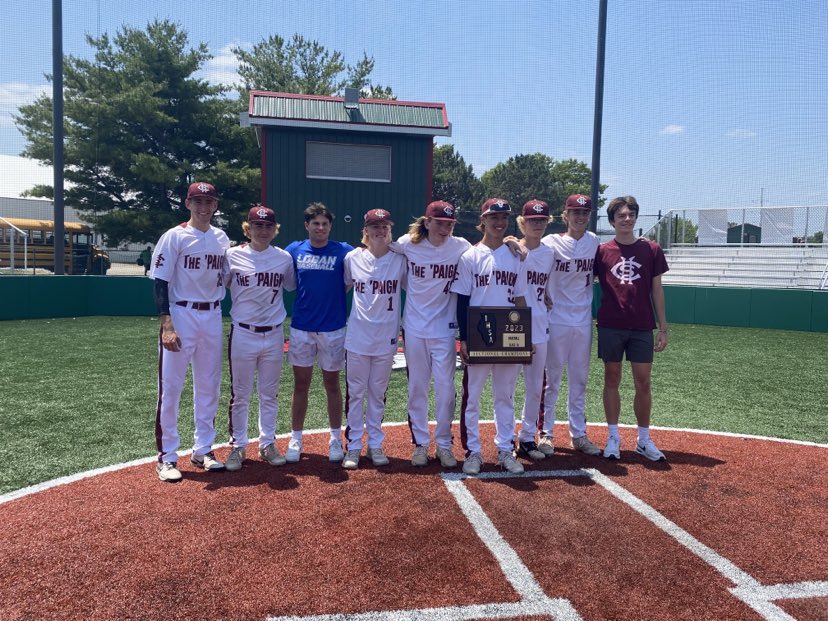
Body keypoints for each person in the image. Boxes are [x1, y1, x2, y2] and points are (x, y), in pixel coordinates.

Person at [149, 181, 229, 482]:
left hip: (211, 315)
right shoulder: (175, 236)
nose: (204, 207)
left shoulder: (222, 238)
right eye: (198, 202)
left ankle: (203, 449)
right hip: (181, 314)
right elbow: (159, 280)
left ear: (215, 205)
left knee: (209, 386)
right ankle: (167, 456)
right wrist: (166, 323)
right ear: (188, 204)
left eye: (209, 202)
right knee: (170, 388)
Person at [451, 198, 528, 475]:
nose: (499, 222)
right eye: (493, 217)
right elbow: (462, 301)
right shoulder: (470, 256)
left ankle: (506, 450)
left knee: (505, 396)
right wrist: (465, 340)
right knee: (472, 397)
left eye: (504, 218)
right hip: (479, 330)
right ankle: (473, 452)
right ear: (482, 220)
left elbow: (520, 297)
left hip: (508, 330)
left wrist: (525, 336)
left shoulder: (516, 255)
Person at [394, 200, 470, 468]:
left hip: (445, 329)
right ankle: (420, 445)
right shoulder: (408, 243)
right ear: (427, 222)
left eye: (449, 224)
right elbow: (381, 247)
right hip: (414, 328)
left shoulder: (460, 246)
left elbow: (486, 252)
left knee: (446, 389)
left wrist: (509, 240)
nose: (445, 228)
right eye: (439, 223)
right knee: (417, 388)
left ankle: (445, 445)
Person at [594, 195, 669, 462]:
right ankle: (613, 437)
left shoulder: (651, 250)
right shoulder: (602, 251)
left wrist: (663, 327)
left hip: (641, 326)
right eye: (621, 215)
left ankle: (644, 439)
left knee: (643, 382)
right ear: (612, 220)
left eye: (631, 215)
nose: (627, 219)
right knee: (612, 379)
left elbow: (656, 289)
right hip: (610, 324)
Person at [223, 205, 296, 471]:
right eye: (258, 225)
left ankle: (267, 443)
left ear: (275, 230)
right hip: (243, 331)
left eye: (268, 226)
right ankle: (238, 446)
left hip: (274, 333)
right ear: (248, 228)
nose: (263, 230)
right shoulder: (232, 255)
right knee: (240, 394)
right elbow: (221, 283)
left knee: (269, 394)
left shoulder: (284, 258)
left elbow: (290, 285)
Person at [285, 202, 354, 463]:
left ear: (330, 227)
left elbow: (347, 283)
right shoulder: (294, 250)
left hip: (333, 328)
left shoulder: (343, 251)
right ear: (307, 225)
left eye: (325, 224)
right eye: (316, 223)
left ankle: (335, 439)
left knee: (332, 385)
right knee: (300, 384)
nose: (321, 228)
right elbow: (291, 284)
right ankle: (296, 438)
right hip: (302, 327)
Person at [341, 209, 407, 469]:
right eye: (375, 226)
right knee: (356, 393)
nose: (380, 231)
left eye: (385, 227)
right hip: (357, 335)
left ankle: (375, 444)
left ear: (391, 230)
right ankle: (354, 446)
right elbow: (343, 286)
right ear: (365, 231)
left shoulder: (400, 258)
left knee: (377, 394)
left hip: (386, 337)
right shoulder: (352, 258)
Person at [538, 194, 603, 457]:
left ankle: (578, 434)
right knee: (551, 379)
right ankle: (546, 433)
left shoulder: (595, 242)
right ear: (565, 215)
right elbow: (528, 252)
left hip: (582, 319)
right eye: (575, 212)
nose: (580, 217)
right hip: (556, 318)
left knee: (579, 379)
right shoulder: (551, 242)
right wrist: (511, 241)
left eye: (584, 212)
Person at [514, 200, 556, 461]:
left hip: (540, 325)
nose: (537, 224)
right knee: (505, 389)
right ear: (523, 222)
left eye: (541, 220)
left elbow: (546, 286)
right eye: (532, 220)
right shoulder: (511, 249)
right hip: (514, 325)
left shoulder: (550, 252)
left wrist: (547, 297)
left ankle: (527, 437)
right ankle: (506, 439)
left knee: (534, 387)